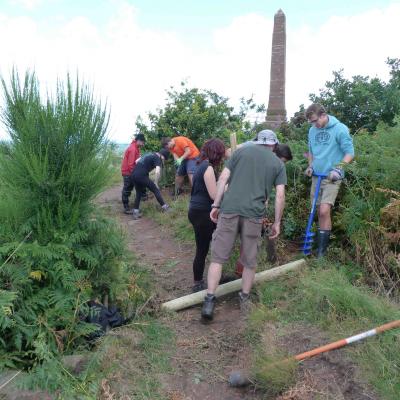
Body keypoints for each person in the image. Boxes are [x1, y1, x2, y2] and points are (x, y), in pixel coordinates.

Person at [201, 129, 287, 321]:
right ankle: (244, 299)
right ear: (273, 145)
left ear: (257, 141)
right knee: (250, 260)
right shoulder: (277, 164)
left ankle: (209, 300)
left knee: (218, 258)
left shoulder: (239, 153)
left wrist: (216, 204)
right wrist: (277, 222)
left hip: (229, 210)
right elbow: (280, 196)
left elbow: (223, 179)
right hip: (254, 215)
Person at [234, 142, 293, 277]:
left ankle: (240, 273)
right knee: (249, 243)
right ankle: (241, 277)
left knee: (246, 241)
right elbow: (279, 195)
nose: (282, 165)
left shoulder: (261, 163)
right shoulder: (263, 164)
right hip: (248, 208)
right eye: (282, 161)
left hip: (242, 205)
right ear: (274, 155)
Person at [304, 103, 354, 257]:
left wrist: (338, 168)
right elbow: (311, 151)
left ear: (323, 115)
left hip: (332, 177)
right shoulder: (312, 130)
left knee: (325, 210)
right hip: (316, 176)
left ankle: (321, 253)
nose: (313, 125)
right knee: (318, 211)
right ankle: (319, 245)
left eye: (315, 121)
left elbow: (349, 153)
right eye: (311, 122)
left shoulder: (340, 129)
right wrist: (310, 166)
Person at [188, 139, 226, 292]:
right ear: (216, 153)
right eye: (221, 154)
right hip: (204, 213)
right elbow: (213, 194)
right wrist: (226, 186)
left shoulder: (199, 166)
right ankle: (201, 283)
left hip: (195, 210)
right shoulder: (208, 168)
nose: (222, 158)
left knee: (202, 248)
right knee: (211, 248)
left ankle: (200, 281)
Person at [131, 149, 171, 219]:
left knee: (139, 193)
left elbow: (136, 161)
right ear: (162, 156)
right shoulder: (157, 158)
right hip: (141, 176)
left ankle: (135, 212)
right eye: (164, 158)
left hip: (134, 174)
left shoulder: (149, 153)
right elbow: (157, 172)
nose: (163, 160)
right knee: (155, 190)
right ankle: (165, 207)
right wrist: (156, 182)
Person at [121, 133, 146, 214]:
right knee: (127, 189)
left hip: (130, 172)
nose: (143, 144)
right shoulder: (133, 149)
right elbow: (131, 164)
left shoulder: (135, 147)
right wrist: (135, 174)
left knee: (131, 187)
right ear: (138, 141)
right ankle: (126, 208)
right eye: (142, 142)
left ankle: (141, 197)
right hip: (128, 172)